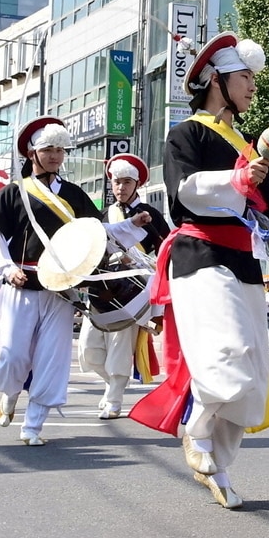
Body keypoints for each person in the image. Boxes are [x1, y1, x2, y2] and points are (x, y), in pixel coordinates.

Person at [130, 32, 269, 509]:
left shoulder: (248, 147)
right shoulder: (186, 134)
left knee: (253, 368)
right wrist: (237, 178)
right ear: (216, 80)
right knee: (227, 351)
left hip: (244, 260)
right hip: (200, 255)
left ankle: (219, 464)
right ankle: (197, 428)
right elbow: (184, 190)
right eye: (245, 77)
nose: (252, 86)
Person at [0, 117, 151, 446]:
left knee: (52, 357)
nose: (55, 156)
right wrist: (6, 268)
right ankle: (10, 392)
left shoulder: (74, 194)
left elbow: (97, 233)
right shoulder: (14, 192)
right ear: (32, 152)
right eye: (48, 149)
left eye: (60, 150)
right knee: (12, 355)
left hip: (62, 289)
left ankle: (33, 425)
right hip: (23, 282)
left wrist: (131, 225)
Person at [78, 154, 170, 419]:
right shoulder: (103, 214)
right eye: (117, 182)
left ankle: (114, 399)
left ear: (137, 184)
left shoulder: (151, 214)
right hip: (100, 288)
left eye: (127, 182)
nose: (121, 187)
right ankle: (113, 386)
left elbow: (165, 251)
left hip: (134, 291)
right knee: (89, 349)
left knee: (120, 345)